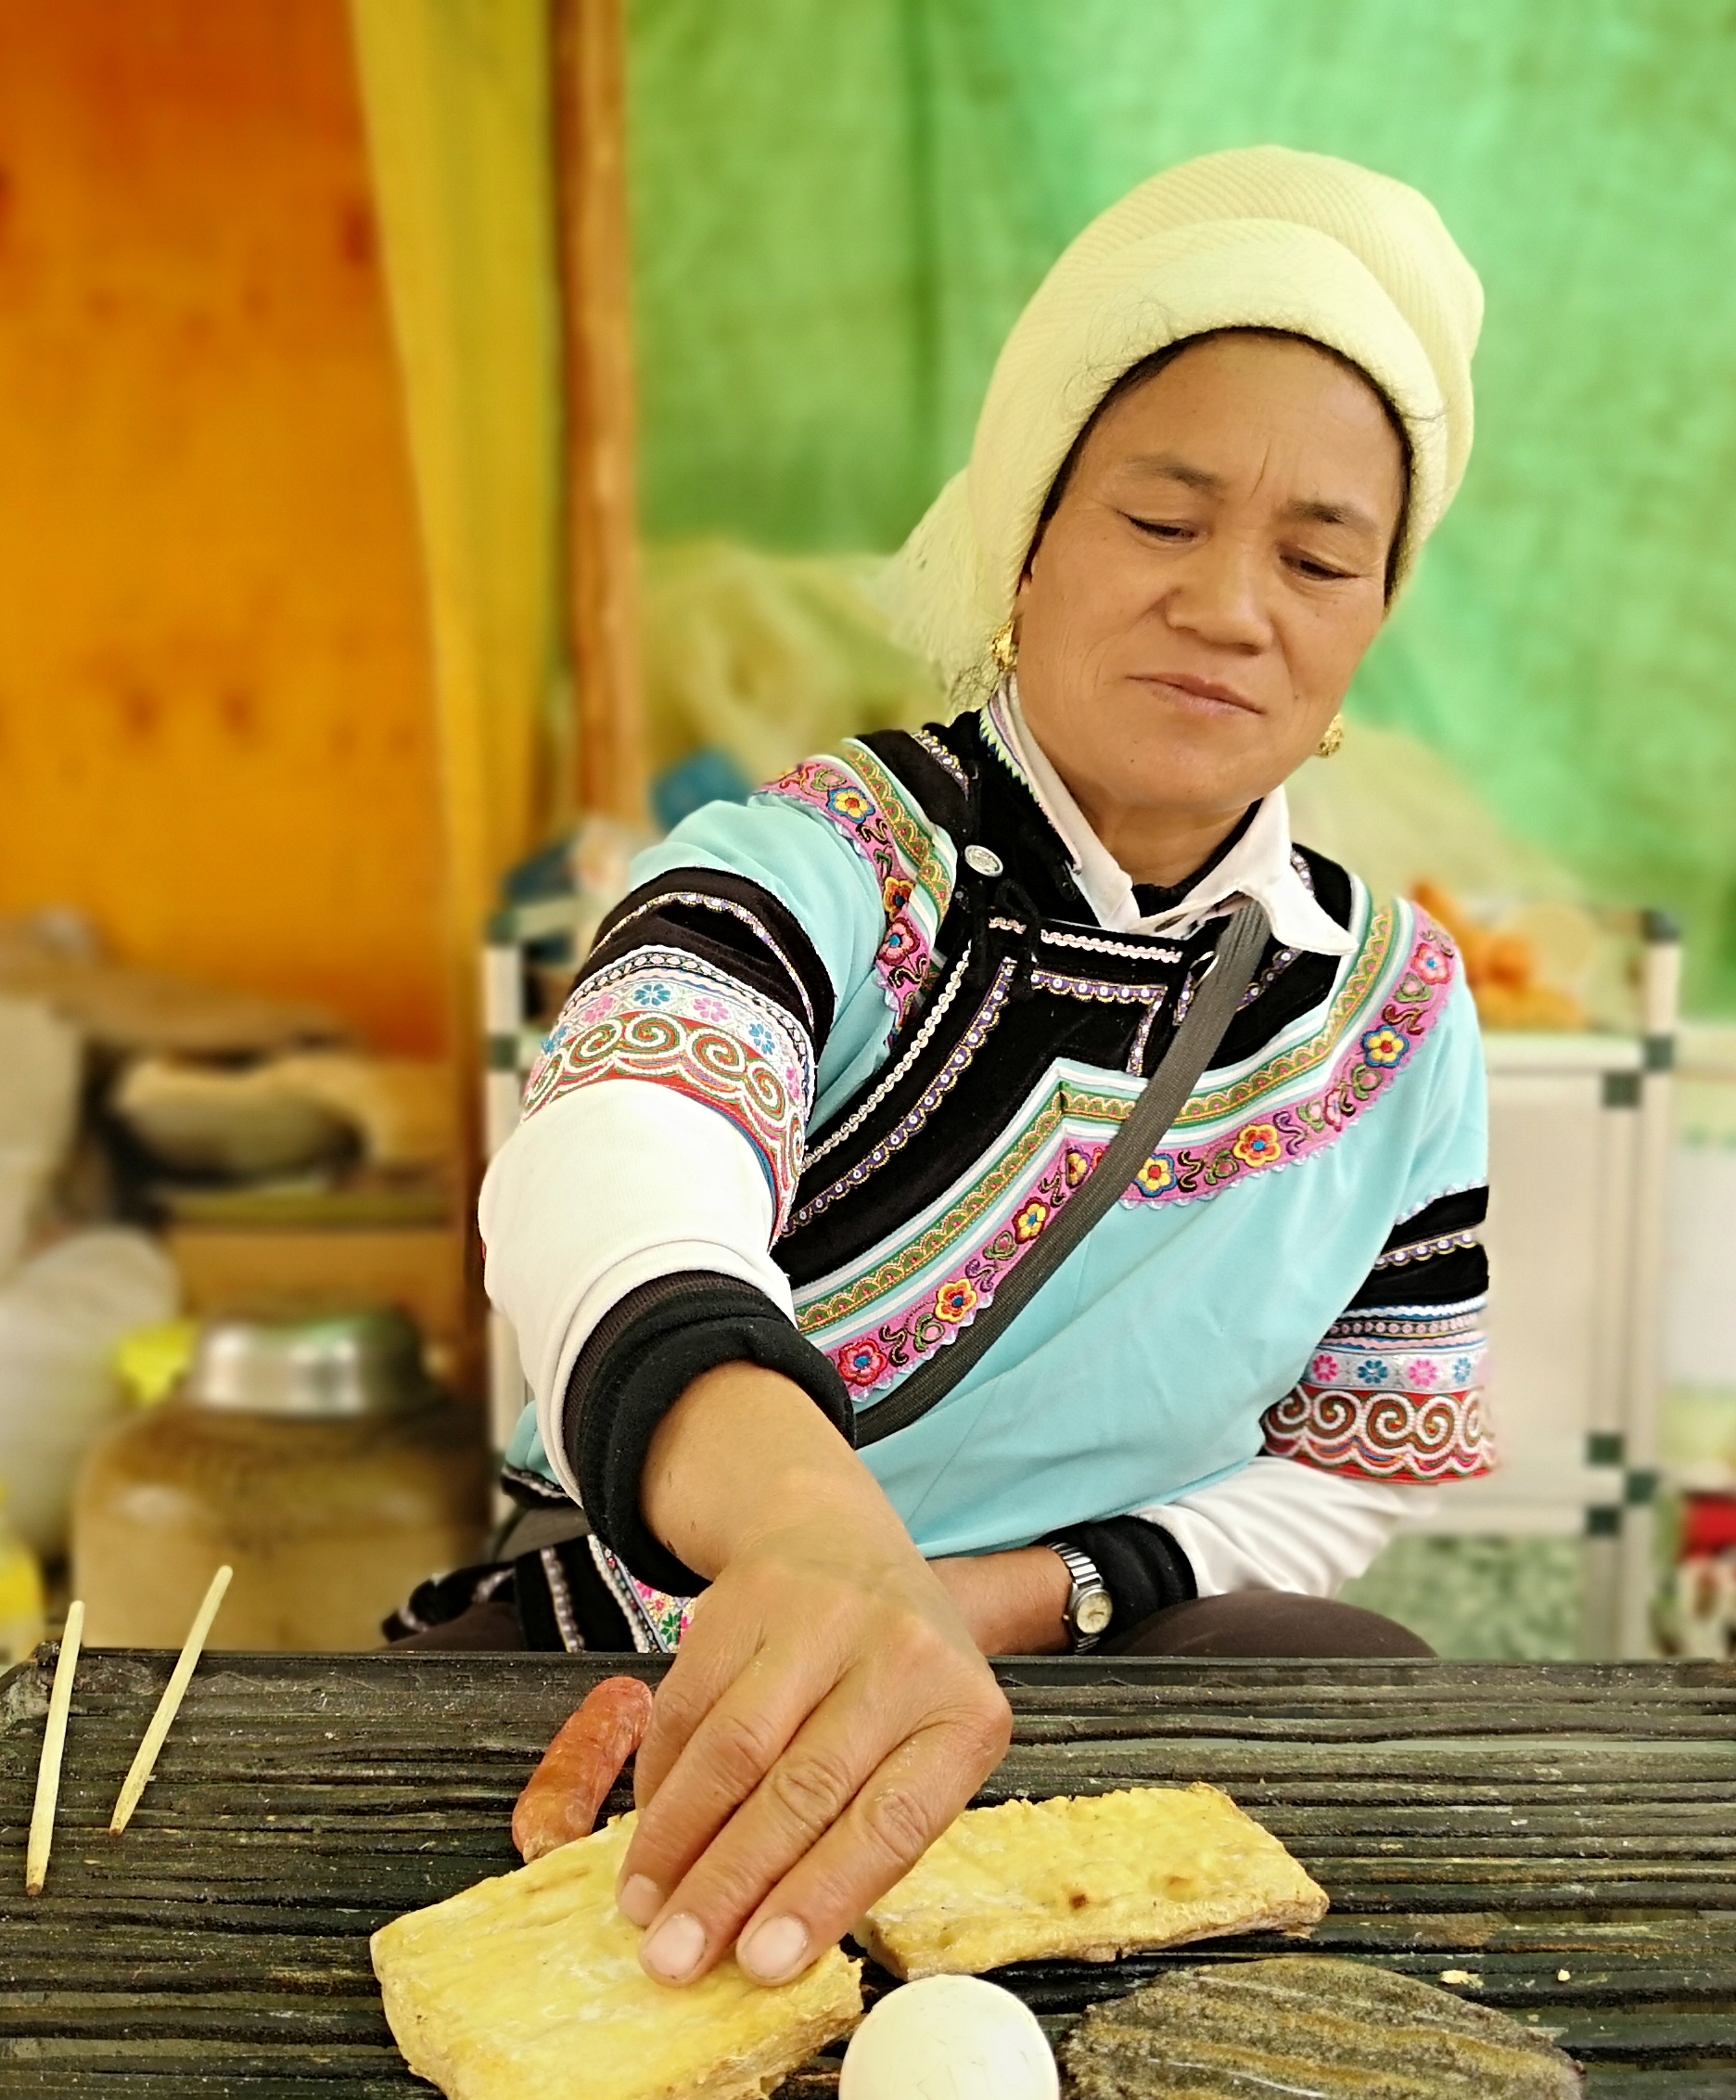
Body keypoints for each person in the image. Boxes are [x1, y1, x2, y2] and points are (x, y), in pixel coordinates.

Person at [400, 148, 1495, 1997]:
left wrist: (975, 1605)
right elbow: (614, 1158)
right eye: (1162, 520)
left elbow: (1341, 1467)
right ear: (1029, 537)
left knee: (1356, 1680)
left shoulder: (1397, 1005)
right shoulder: (811, 872)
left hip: (1070, 1654)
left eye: (1320, 556)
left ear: (1369, 626)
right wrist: (811, 1542)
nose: (1235, 604)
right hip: (671, 1636)